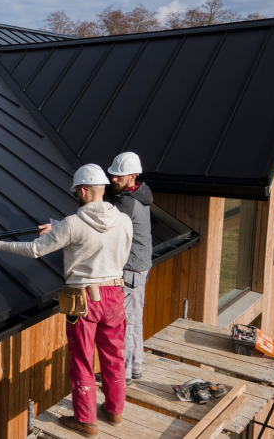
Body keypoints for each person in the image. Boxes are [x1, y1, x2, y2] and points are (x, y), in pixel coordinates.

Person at [0, 164, 132, 437]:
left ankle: (86, 420)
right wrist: (60, 228)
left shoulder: (74, 224)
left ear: (83, 191)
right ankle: (115, 411)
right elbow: (100, 238)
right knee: (114, 356)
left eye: (77, 191)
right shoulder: (124, 220)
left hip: (85, 299)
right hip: (116, 295)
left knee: (83, 360)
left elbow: (36, 249)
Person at [107, 152, 152, 386]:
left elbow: (102, 222)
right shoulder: (141, 194)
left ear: (132, 176)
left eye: (118, 175)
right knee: (135, 320)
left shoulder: (126, 203)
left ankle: (123, 375)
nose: (113, 178)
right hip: (140, 268)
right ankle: (134, 368)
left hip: (131, 270)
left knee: (125, 322)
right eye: (112, 174)